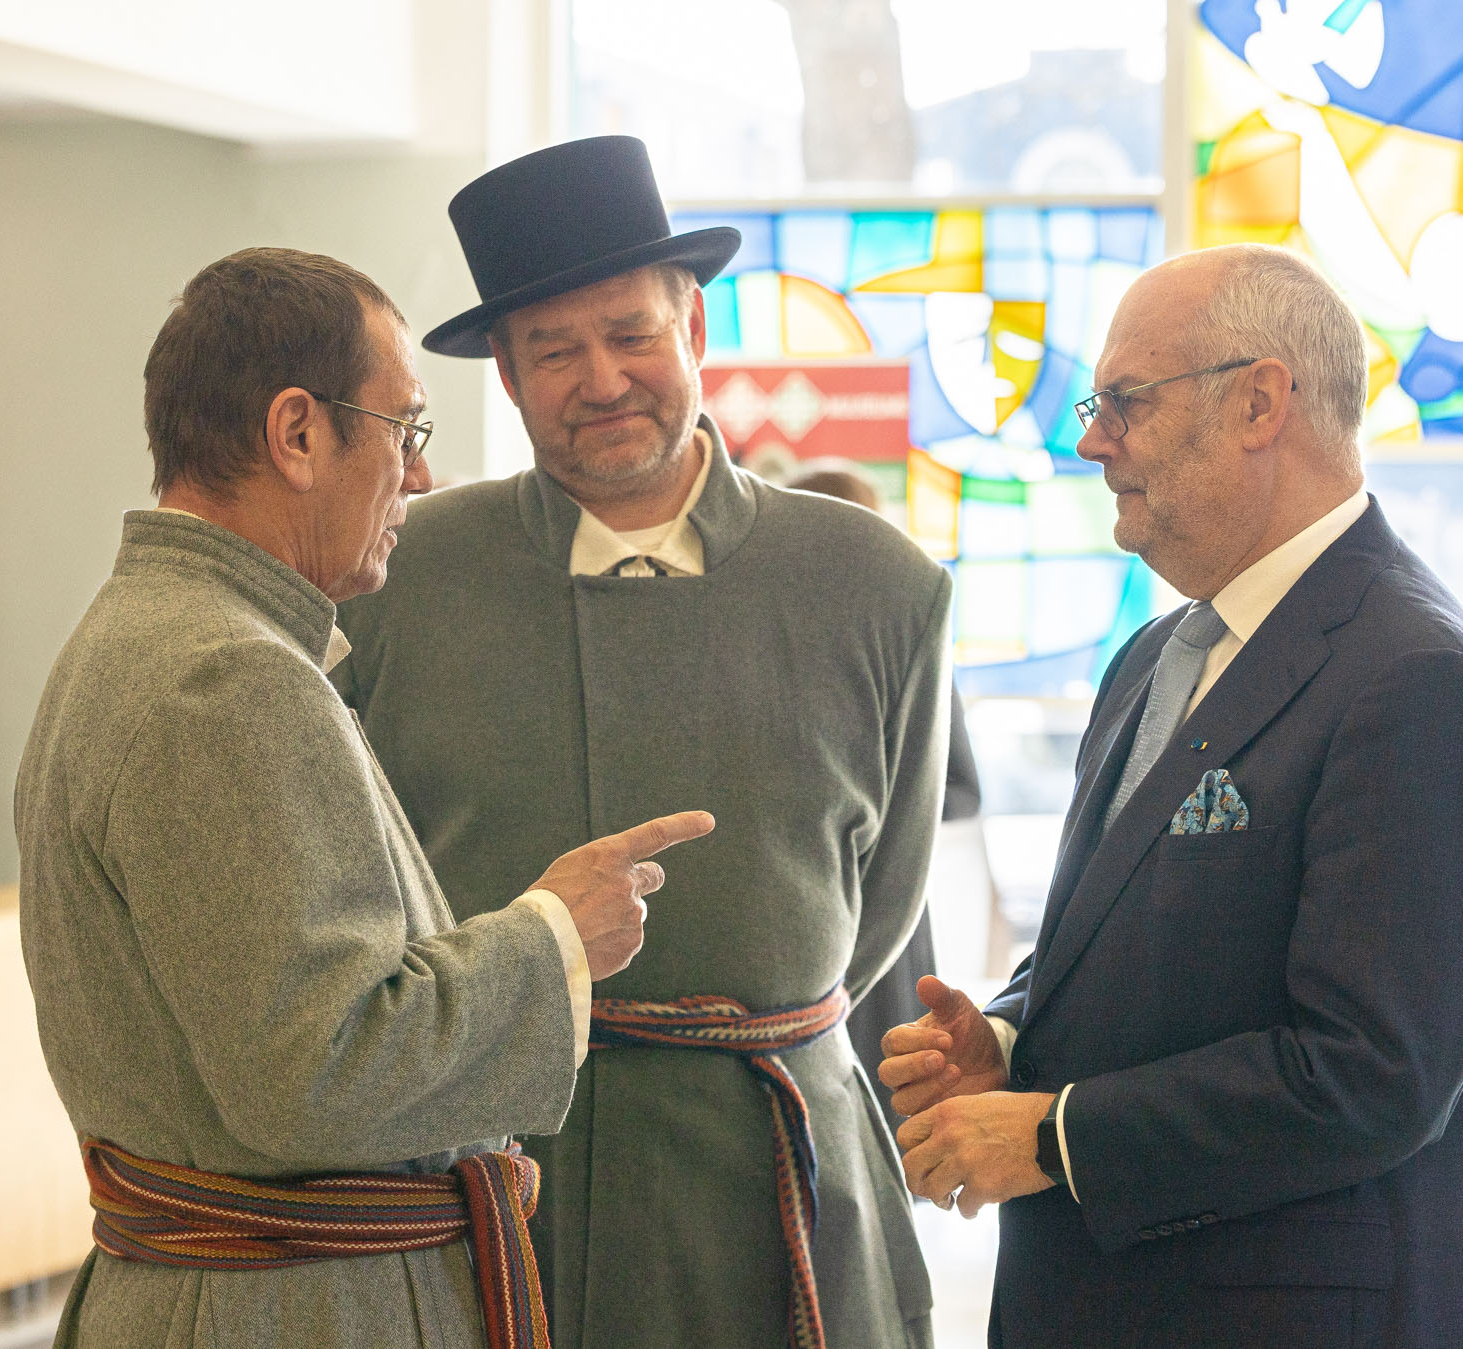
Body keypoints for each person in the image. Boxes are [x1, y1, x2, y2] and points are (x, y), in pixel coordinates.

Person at [15, 246, 712, 1349]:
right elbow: (319, 1070)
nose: (420, 477)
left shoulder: (157, 632)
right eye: (405, 430)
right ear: (299, 433)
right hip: (292, 1308)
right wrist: (553, 938)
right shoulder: (226, 676)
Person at [337, 136, 950, 1349]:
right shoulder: (395, 579)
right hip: (495, 1188)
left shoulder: (877, 584)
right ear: (506, 377)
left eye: (630, 332)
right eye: (554, 350)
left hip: (780, 1179)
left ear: (696, 329)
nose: (601, 377)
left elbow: (883, 906)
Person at [880, 243, 1463, 1347]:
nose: (1090, 439)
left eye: (1125, 403)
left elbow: (1372, 1072)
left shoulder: (1418, 681)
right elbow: (1130, 934)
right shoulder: (1157, 653)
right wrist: (1007, 1037)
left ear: (1258, 402)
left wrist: (1055, 1136)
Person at [786, 460, 982, 1139]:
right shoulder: (768, 647)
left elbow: (961, 790)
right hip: (794, 915)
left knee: (874, 1123)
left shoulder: (903, 638)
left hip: (878, 911)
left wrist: (867, 809)